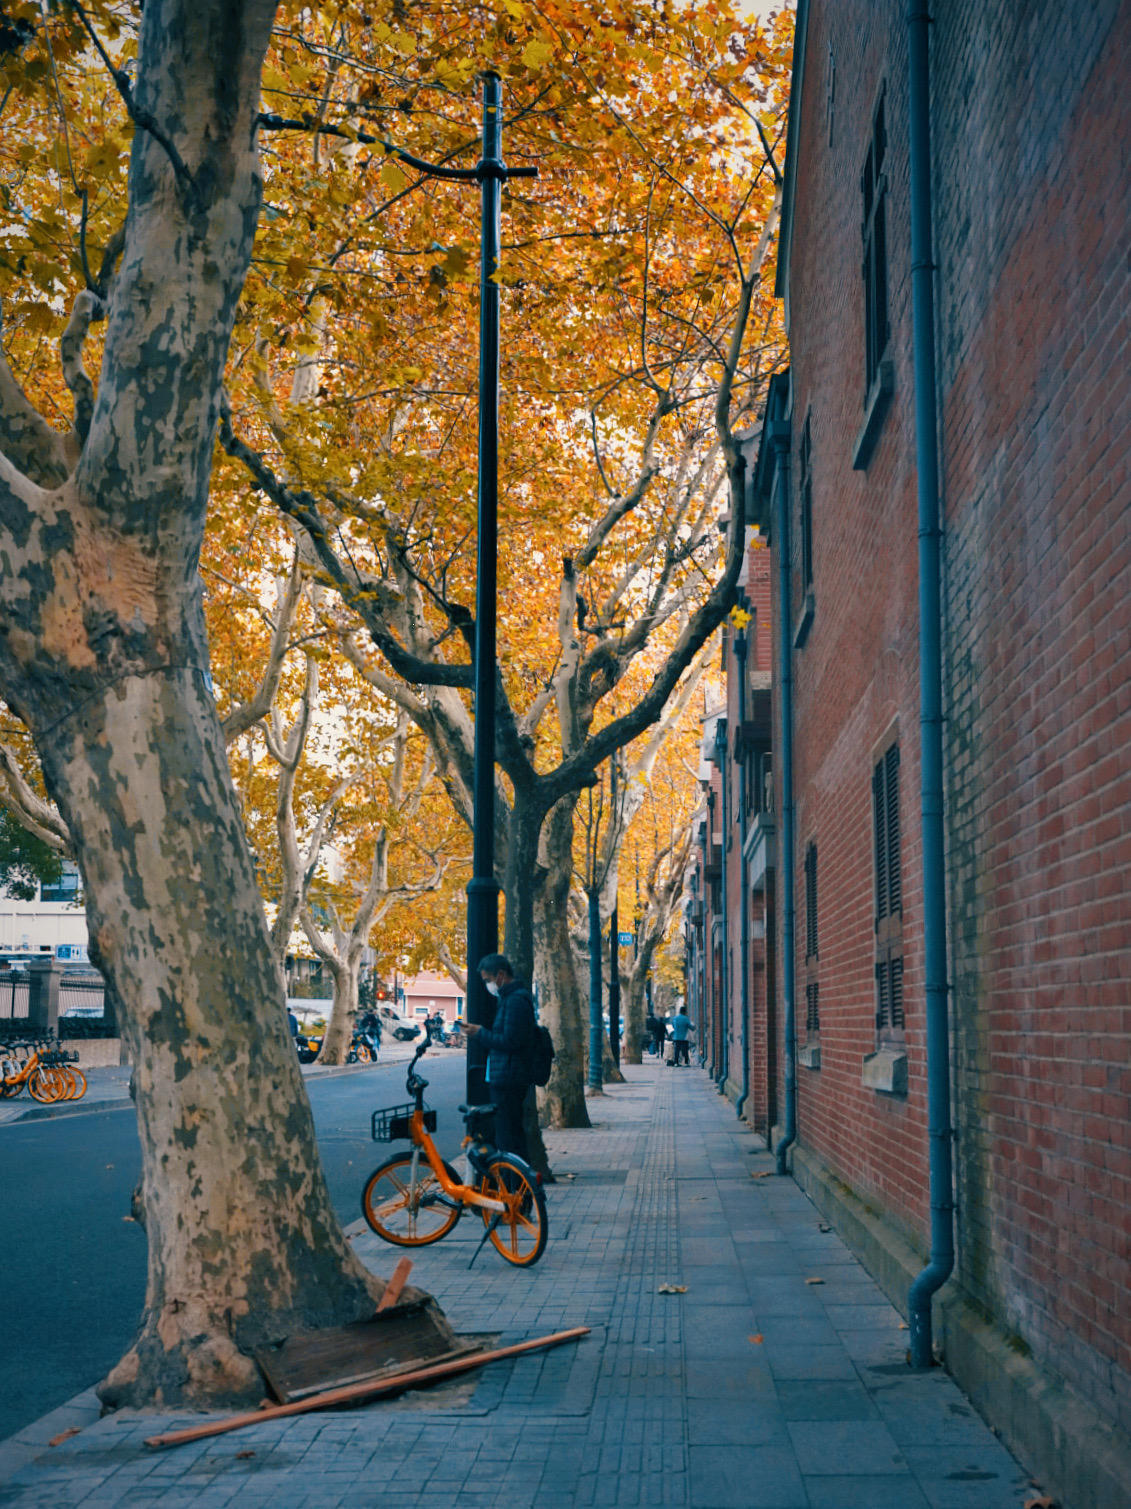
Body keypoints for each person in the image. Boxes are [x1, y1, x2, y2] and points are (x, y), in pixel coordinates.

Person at [462, 954, 535, 1162]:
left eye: (488, 979)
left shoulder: (515, 1001)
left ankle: (517, 1190)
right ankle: (518, 1188)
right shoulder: (510, 999)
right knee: (509, 1136)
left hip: (508, 1079)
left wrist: (479, 1033)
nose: (488, 984)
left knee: (509, 1139)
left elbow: (510, 1041)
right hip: (506, 1076)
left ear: (500, 975)